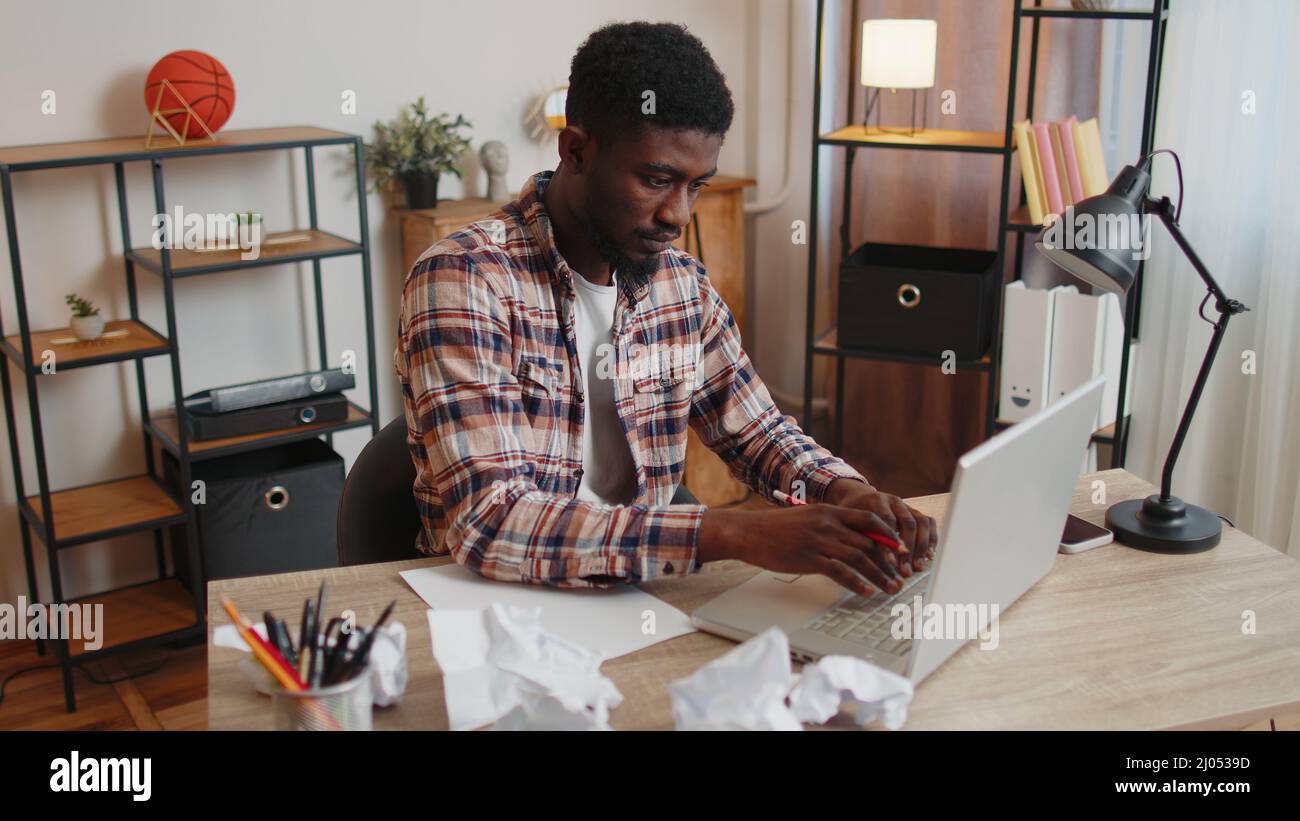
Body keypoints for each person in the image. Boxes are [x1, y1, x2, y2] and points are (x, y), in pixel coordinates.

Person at [395, 21, 937, 596]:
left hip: (640, 593)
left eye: (697, 186)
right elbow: (492, 520)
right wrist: (738, 533)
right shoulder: (465, 278)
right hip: (497, 604)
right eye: (656, 180)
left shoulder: (681, 284)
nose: (678, 216)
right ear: (576, 150)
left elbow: (757, 431)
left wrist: (846, 492)